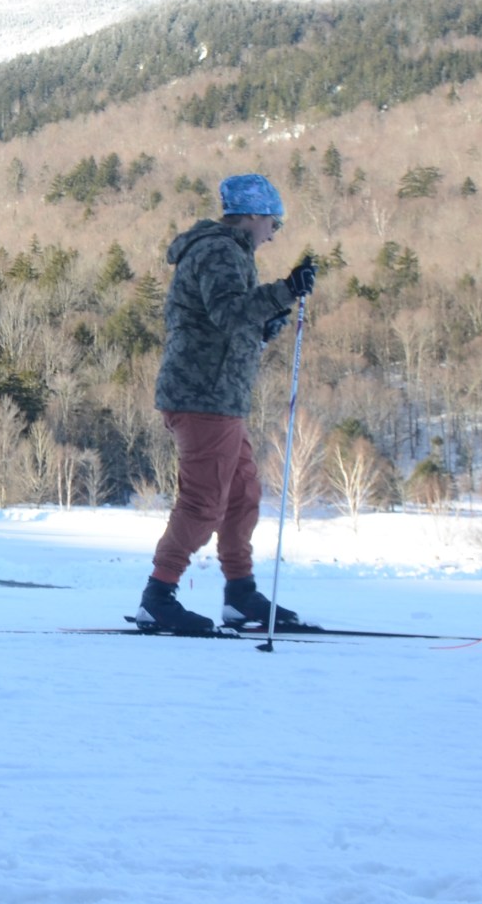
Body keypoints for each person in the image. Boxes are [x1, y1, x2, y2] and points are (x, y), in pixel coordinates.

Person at [135, 172, 318, 637]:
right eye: (274, 220)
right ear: (253, 215)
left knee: (242, 497)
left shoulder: (228, 252)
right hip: (202, 396)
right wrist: (285, 292)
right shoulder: (219, 250)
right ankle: (158, 598)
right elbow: (227, 311)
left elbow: (228, 321)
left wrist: (265, 324)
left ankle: (240, 595)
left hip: (219, 397)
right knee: (203, 504)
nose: (276, 230)